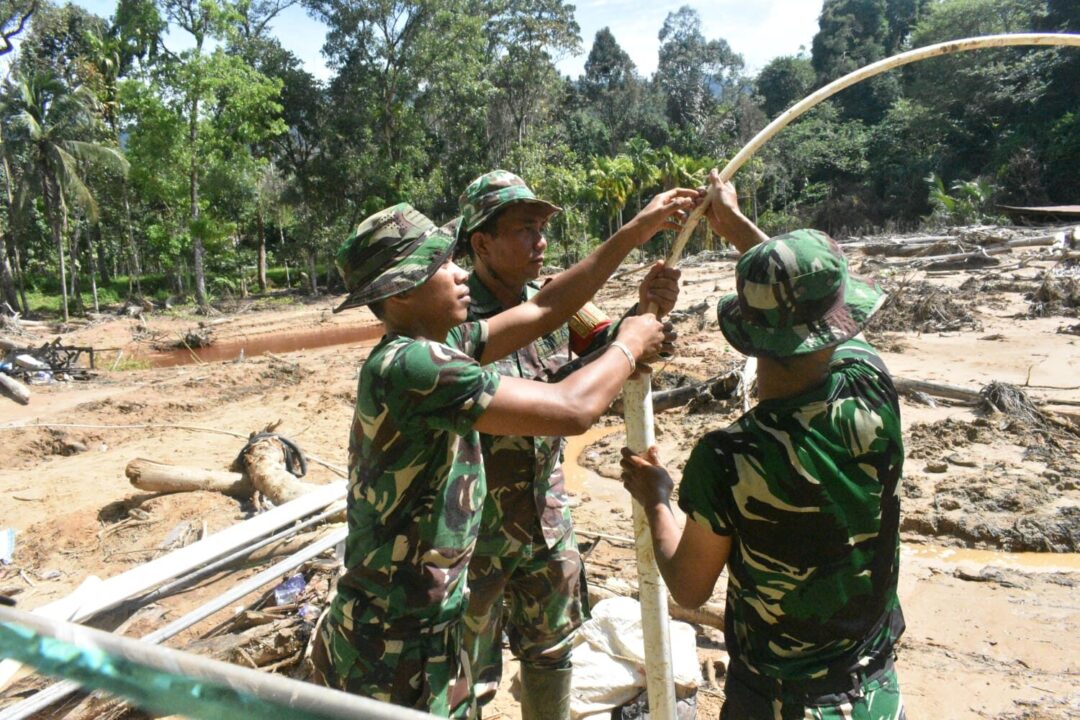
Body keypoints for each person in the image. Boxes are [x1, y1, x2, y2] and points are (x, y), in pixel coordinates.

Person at [311, 189, 696, 719]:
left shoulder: (437, 344)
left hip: (426, 627)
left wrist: (635, 232)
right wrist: (629, 346)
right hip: (395, 642)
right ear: (399, 294)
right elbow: (571, 408)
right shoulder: (413, 365)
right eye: (442, 266)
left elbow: (543, 307)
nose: (460, 274)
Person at [620, 170, 907, 720]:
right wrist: (737, 227)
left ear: (750, 337)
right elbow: (822, 315)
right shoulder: (871, 388)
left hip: (780, 702)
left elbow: (688, 584)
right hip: (874, 687)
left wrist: (656, 496)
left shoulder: (731, 456)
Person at [454, 170, 682, 720]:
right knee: (464, 673)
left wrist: (646, 314)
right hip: (474, 533)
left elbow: (607, 349)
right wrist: (628, 341)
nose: (541, 241)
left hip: (547, 522)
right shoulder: (454, 315)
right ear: (481, 242)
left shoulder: (560, 302)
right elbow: (562, 402)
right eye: (525, 229)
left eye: (543, 227)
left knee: (553, 653)